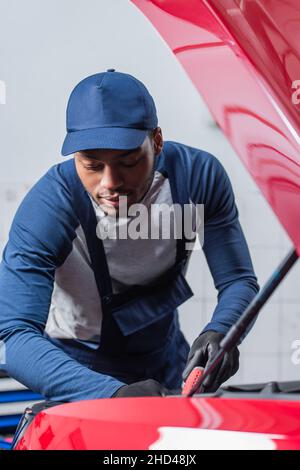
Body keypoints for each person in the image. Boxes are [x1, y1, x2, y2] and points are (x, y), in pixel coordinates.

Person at [0, 70, 259, 401]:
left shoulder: (198, 178)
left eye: (128, 162)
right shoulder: (51, 205)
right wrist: (111, 393)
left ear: (157, 142)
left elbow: (239, 280)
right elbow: (15, 334)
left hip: (167, 358)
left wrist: (222, 332)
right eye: (92, 166)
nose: (110, 183)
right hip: (79, 368)